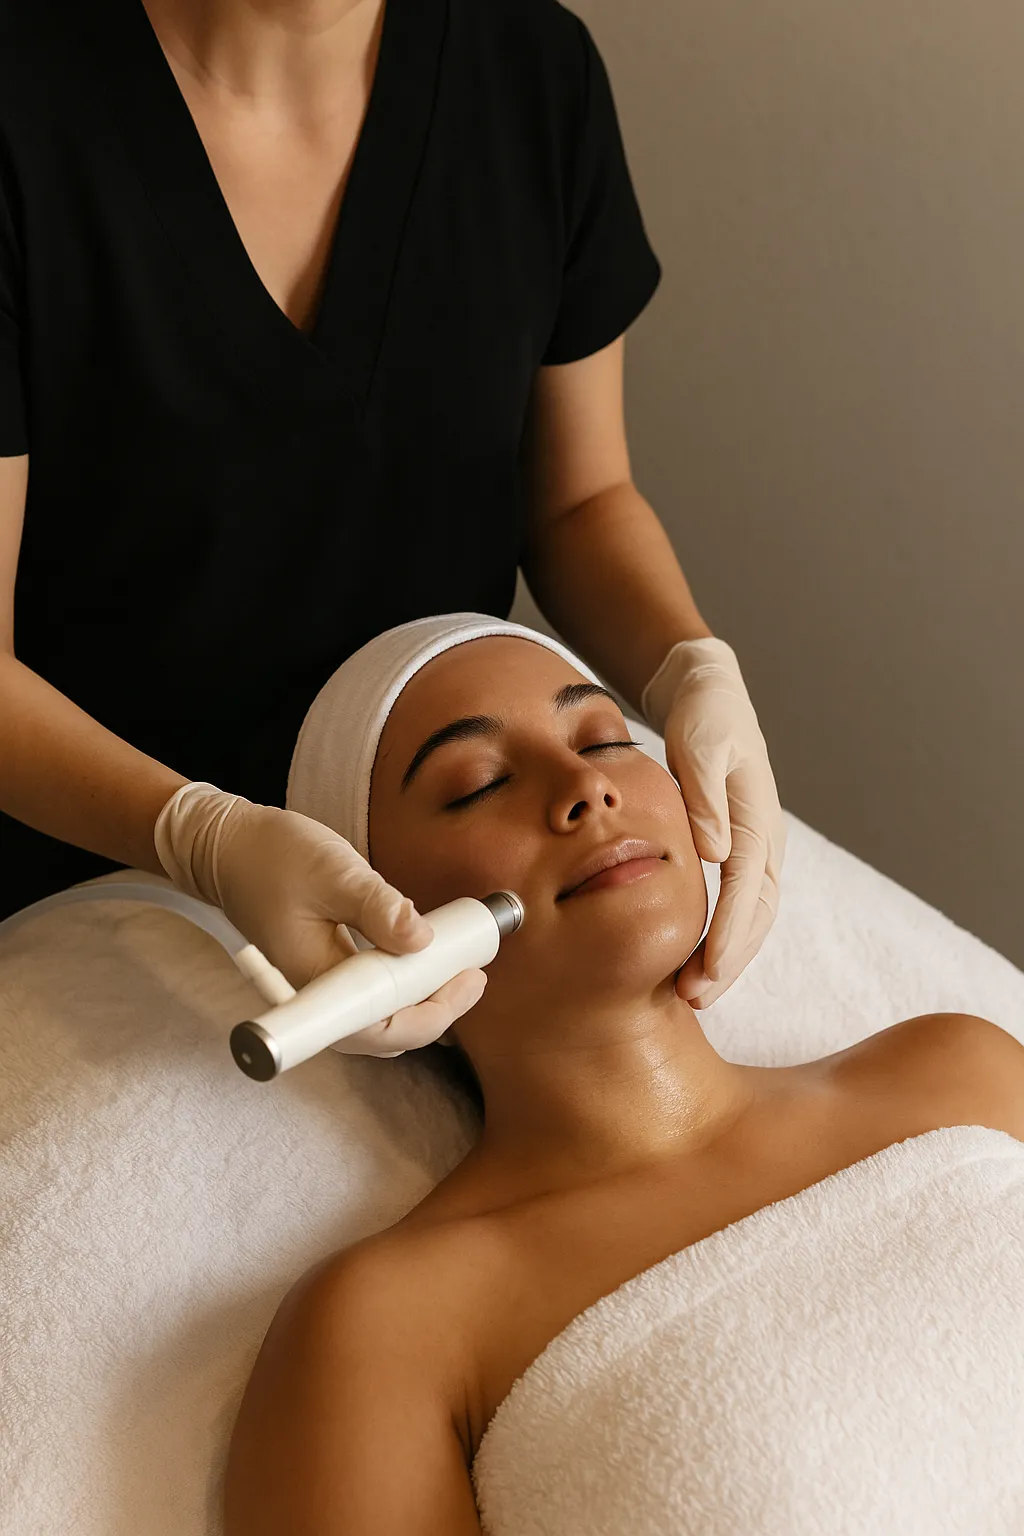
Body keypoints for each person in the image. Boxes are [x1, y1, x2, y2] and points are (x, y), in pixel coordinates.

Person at [0, 0, 786, 1053]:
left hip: (437, 878)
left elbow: (579, 502)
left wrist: (689, 666)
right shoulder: (24, 105)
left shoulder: (531, 74)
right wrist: (197, 837)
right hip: (82, 894)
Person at [222, 613, 1024, 1534]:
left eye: (606, 739)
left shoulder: (956, 1075)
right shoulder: (388, 1329)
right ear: (367, 935)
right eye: (477, 785)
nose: (586, 787)